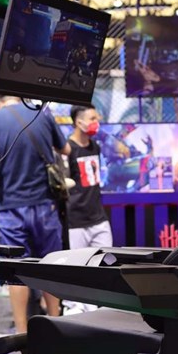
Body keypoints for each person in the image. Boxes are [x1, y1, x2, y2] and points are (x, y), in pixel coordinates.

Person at [0, 95, 69, 333]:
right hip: (44, 204)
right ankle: (56, 326)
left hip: (10, 207)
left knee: (15, 269)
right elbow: (65, 148)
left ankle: (21, 332)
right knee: (50, 265)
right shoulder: (42, 115)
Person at [67, 105, 112, 250]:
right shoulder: (67, 149)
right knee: (77, 263)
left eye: (96, 118)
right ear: (79, 122)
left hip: (99, 219)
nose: (96, 122)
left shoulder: (95, 146)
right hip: (75, 223)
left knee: (106, 259)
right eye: (92, 119)